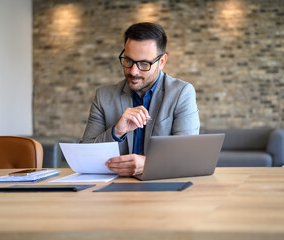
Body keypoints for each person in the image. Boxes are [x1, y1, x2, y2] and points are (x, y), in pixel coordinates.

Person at [81, 22, 200, 176]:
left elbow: (188, 155)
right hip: (114, 190)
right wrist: (116, 132)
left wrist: (149, 164)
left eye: (144, 63)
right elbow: (84, 155)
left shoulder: (182, 93)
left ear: (162, 62)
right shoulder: (103, 97)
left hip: (164, 189)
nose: (133, 71)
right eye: (128, 60)